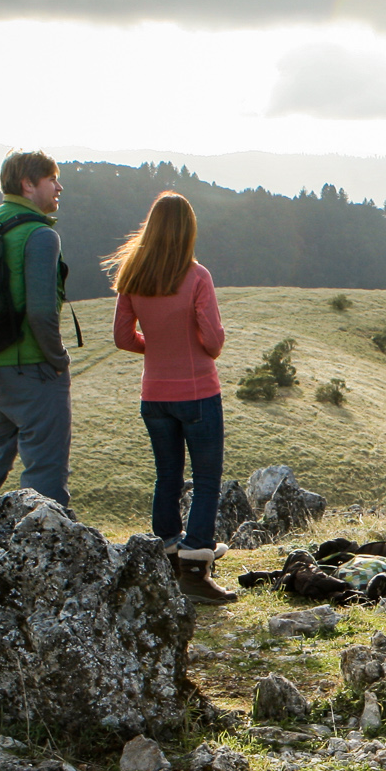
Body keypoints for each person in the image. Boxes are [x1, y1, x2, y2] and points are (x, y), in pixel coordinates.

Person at [105, 191, 236, 604]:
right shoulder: (197, 277)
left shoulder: (133, 276)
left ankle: (168, 551)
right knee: (207, 479)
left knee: (168, 476)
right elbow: (213, 343)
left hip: (154, 395)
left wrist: (157, 347)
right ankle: (196, 566)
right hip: (197, 393)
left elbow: (123, 337)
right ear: (188, 230)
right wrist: (195, 344)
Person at [0, 149, 74, 529]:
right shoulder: (39, 235)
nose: (59, 187)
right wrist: (58, 360)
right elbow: (41, 312)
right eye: (51, 179)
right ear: (28, 184)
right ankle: (44, 557)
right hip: (32, 369)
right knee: (45, 472)